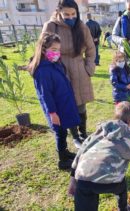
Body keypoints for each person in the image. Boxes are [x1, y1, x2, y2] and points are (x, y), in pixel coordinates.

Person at [67, 101, 130, 211]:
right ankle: (123, 208)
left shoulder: (99, 130)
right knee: (121, 187)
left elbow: (81, 151)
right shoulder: (128, 138)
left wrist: (73, 179)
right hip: (109, 182)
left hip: (83, 178)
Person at [42, 0, 96, 149]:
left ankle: (83, 132)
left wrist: (89, 67)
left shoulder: (82, 26)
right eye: (66, 14)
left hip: (80, 70)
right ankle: (75, 136)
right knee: (68, 105)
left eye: (73, 14)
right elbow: (42, 48)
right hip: (60, 70)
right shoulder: (51, 26)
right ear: (59, 12)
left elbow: (91, 49)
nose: (70, 17)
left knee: (81, 105)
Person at [28, 32, 80, 170]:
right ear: (44, 49)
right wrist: (52, 113)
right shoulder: (42, 71)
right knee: (60, 132)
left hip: (63, 104)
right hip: (56, 108)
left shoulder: (55, 64)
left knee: (63, 130)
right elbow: (45, 95)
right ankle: (62, 161)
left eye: (58, 49)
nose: (57, 53)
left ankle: (64, 152)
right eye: (54, 50)